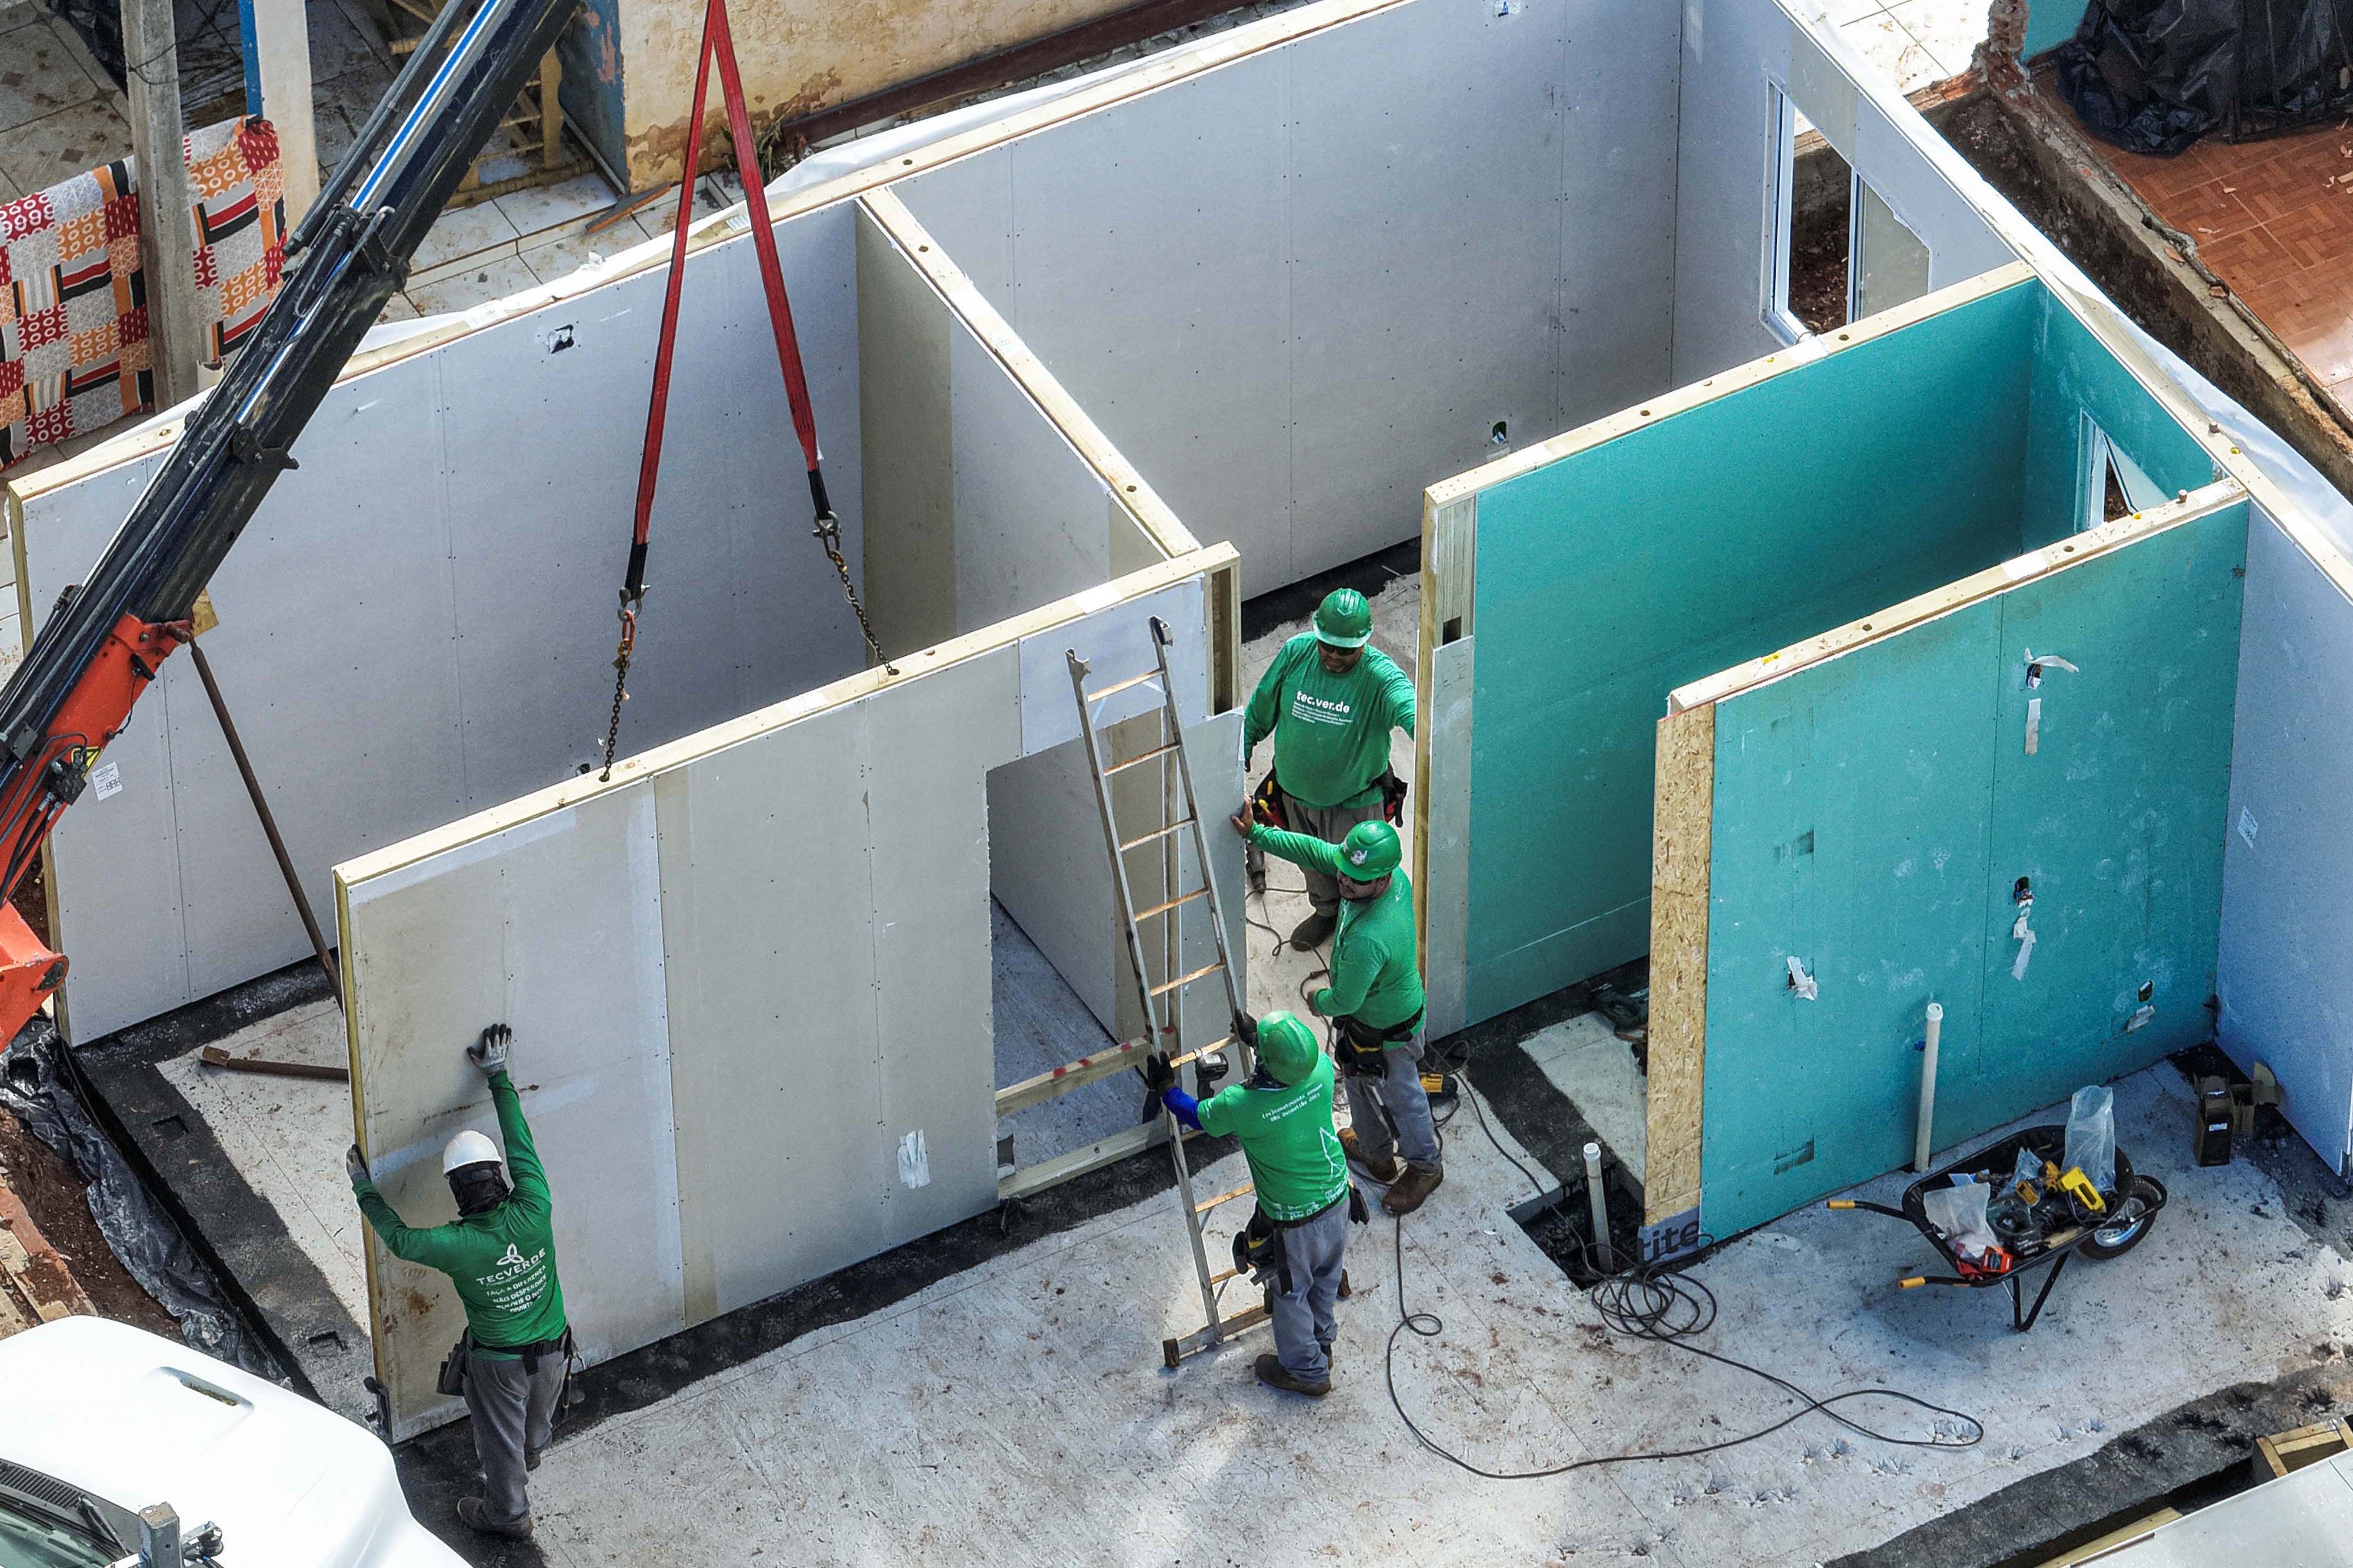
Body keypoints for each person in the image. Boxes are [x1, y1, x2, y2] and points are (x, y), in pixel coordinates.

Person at [344, 1025, 568, 1541]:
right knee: (536, 1425)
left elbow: (399, 1239)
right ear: (499, 1175)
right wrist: (497, 1074)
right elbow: (520, 1140)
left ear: (456, 1190)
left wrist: (364, 1188)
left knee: (498, 1439)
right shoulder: (535, 1207)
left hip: (499, 1364)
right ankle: (531, 1451)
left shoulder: (454, 1243)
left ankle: (508, 1515)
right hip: (554, 1350)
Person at [1233, 813, 1442, 1216]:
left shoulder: (1371, 935)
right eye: (1343, 874)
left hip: (1392, 1029)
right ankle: (1377, 1154)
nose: (1344, 883)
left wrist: (1319, 999)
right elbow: (1314, 851)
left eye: (1354, 881)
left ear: (1383, 879)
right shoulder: (1375, 874)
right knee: (1359, 1082)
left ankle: (1426, 1167)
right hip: (1369, 1021)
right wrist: (1256, 834)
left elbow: (1344, 1000)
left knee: (1403, 1095)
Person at [1146, 1012, 1356, 1396]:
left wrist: (1166, 1090)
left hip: (1296, 1222)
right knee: (1324, 1278)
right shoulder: (1323, 1070)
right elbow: (1292, 1064)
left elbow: (1198, 1117)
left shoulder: (1244, 1105)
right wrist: (1259, 1038)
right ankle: (1322, 1345)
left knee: (1290, 1296)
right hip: (1338, 1197)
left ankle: (1307, 1374)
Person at [1242, 587, 1415, 950]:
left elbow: (1411, 708)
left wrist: (1434, 735)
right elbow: (1261, 707)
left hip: (1352, 804)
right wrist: (1242, 744)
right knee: (1315, 866)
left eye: (1346, 650)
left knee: (1361, 875)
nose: (1335, 657)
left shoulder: (1379, 677)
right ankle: (1326, 912)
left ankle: (1363, 934)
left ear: (1364, 643)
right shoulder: (1296, 653)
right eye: (1328, 646)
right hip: (1294, 797)